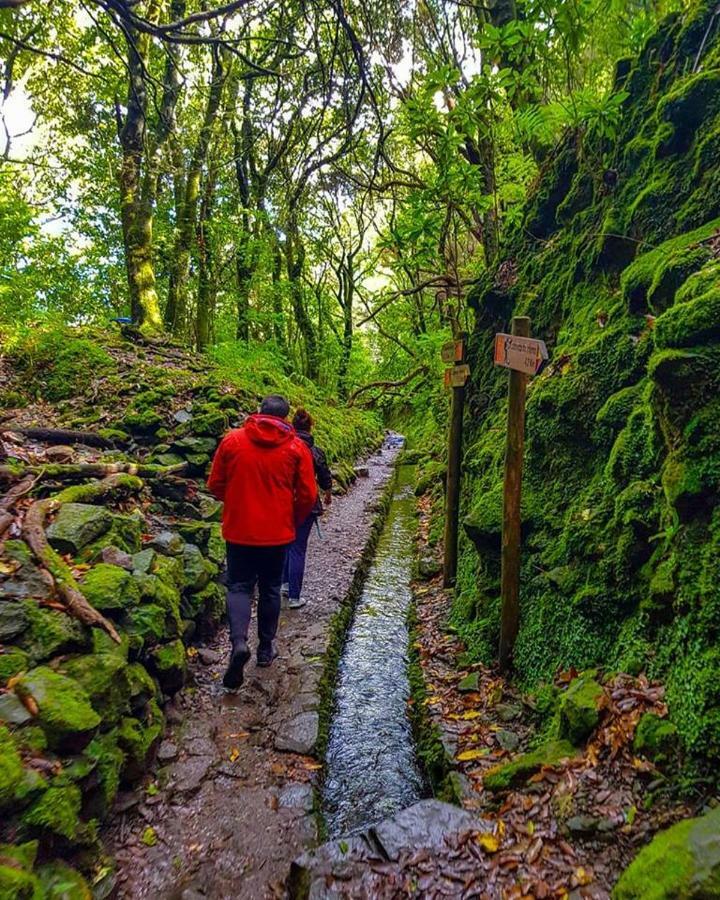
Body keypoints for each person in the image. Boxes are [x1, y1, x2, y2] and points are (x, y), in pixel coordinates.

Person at [207, 395, 317, 690]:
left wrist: (234, 504)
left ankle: (239, 643)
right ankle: (266, 649)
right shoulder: (296, 448)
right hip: (277, 534)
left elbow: (215, 483)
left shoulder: (232, 441)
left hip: (239, 531)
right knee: (269, 588)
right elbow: (308, 494)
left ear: (258, 413)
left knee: (239, 586)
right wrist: (292, 519)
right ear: (285, 417)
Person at [282, 408, 333, 609]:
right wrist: (327, 494)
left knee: (286, 543)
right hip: (307, 503)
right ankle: (295, 596)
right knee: (298, 547)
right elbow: (324, 476)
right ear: (310, 427)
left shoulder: (284, 447)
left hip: (284, 502)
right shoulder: (315, 451)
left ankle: (285, 584)